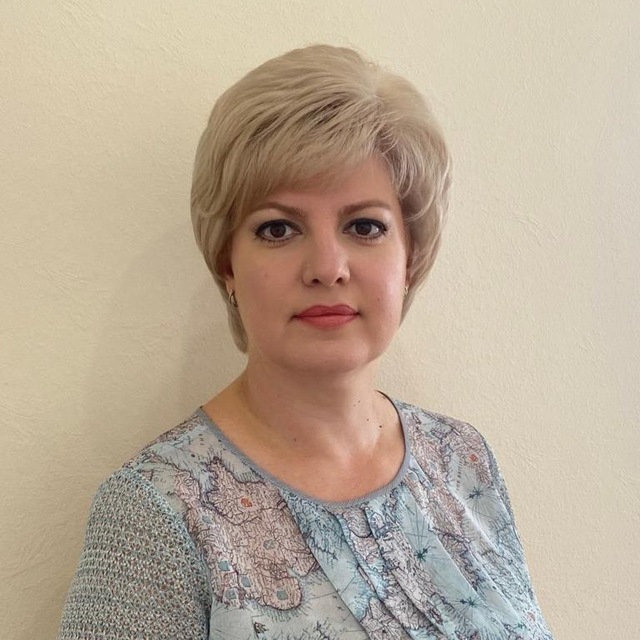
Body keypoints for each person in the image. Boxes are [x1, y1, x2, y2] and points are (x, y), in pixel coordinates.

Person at [58, 45, 553, 639]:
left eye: (364, 226)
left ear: (411, 257)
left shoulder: (462, 459)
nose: (327, 267)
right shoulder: (156, 513)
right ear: (227, 265)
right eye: (278, 228)